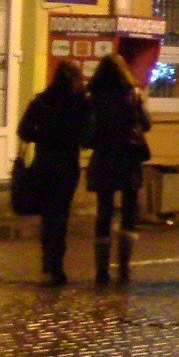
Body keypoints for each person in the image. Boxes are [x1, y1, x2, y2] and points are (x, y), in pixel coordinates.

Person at [18, 61, 89, 285]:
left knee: (48, 214)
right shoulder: (81, 104)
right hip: (67, 165)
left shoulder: (42, 101)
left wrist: (44, 137)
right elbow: (87, 137)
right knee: (61, 214)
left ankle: (48, 259)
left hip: (44, 163)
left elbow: (25, 130)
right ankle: (56, 264)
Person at [82, 53, 150, 286]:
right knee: (129, 211)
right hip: (128, 157)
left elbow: (88, 133)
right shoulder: (132, 95)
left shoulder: (94, 98)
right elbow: (146, 123)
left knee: (105, 210)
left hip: (104, 157)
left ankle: (102, 270)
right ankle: (124, 267)